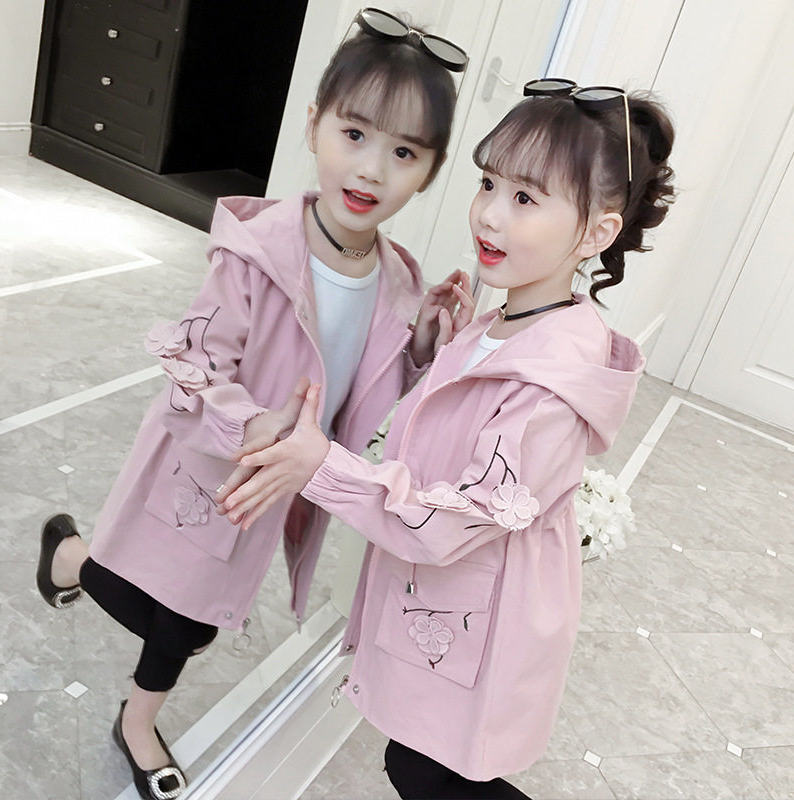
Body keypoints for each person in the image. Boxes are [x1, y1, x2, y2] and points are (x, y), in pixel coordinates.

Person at [35, 10, 473, 800]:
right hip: (206, 462)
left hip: (274, 483)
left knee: (194, 614)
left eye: (404, 152)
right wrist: (255, 422)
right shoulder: (258, 250)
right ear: (313, 125)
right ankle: (128, 699)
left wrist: (420, 347)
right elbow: (195, 366)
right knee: (179, 615)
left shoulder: (399, 279)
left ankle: (73, 568)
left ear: (429, 172)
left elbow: (366, 395)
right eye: (354, 134)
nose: (371, 169)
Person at [216, 78, 676, 798]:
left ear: (596, 233)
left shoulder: (555, 380)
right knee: (417, 761)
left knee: (426, 770)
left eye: (525, 198)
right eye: (489, 183)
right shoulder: (505, 319)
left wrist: (322, 466)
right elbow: (452, 436)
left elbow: (451, 521)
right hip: (446, 605)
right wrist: (438, 353)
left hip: (481, 618)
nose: (489, 213)